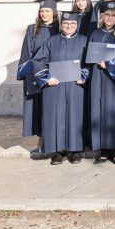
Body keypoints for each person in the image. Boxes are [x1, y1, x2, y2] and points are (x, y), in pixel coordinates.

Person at [32, 11, 88, 165]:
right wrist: (47, 78)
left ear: (77, 25)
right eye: (66, 23)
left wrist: (83, 76)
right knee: (55, 118)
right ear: (61, 25)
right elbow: (38, 61)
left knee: (75, 118)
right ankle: (57, 152)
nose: (69, 26)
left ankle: (74, 151)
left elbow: (89, 63)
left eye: (72, 24)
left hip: (75, 86)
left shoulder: (84, 41)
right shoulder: (51, 41)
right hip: (54, 86)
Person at [87, 0, 115, 164]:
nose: (110, 17)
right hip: (99, 78)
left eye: (114, 15)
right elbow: (88, 56)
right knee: (100, 113)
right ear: (102, 16)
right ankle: (104, 149)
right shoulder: (95, 33)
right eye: (107, 14)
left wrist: (108, 64)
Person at [17, 0, 60, 152]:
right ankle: (40, 141)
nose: (44, 13)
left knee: (52, 109)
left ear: (54, 13)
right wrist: (32, 71)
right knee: (38, 108)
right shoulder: (32, 29)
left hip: (54, 75)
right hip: (36, 74)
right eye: (41, 11)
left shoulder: (60, 29)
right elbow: (26, 52)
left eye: (47, 11)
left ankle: (55, 142)